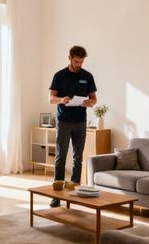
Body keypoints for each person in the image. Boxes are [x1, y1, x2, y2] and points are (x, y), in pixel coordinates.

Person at [48, 45, 97, 208]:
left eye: (81, 62)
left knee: (78, 157)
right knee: (60, 156)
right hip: (63, 121)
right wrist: (62, 100)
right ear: (69, 58)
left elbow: (94, 99)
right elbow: (51, 99)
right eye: (76, 61)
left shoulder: (87, 76)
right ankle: (56, 195)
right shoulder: (59, 75)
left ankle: (75, 192)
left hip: (81, 121)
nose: (79, 65)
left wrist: (90, 103)